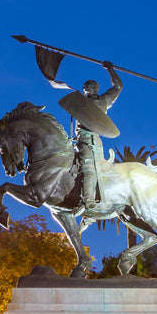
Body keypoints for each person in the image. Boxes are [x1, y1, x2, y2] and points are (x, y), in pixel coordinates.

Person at [59, 61, 122, 207]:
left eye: (92, 85)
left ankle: (89, 201)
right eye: (86, 86)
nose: (88, 87)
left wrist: (111, 69)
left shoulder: (104, 100)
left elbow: (118, 87)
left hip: (92, 141)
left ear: (97, 88)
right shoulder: (78, 103)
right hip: (79, 140)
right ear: (84, 90)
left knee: (90, 169)